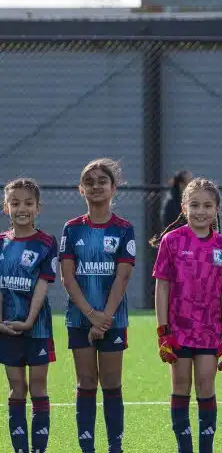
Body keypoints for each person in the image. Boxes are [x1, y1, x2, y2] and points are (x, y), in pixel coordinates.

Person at [151, 177, 222, 453]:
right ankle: (184, 448)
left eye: (208, 205)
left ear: (217, 210)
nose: (201, 211)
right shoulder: (171, 241)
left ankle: (206, 449)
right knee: (181, 385)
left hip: (210, 331)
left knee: (206, 385)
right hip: (178, 329)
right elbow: (162, 286)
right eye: (195, 205)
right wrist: (163, 330)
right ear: (184, 207)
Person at [59, 159, 136, 453]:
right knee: (86, 381)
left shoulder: (124, 229)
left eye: (102, 181)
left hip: (113, 318)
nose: (96, 186)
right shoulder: (72, 229)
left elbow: (123, 275)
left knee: (111, 383)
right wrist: (90, 315)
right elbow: (68, 277)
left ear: (113, 188)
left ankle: (114, 447)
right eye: (89, 182)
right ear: (81, 190)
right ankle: (87, 447)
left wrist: (105, 317)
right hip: (79, 319)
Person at [0, 178, 58, 453]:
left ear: (38, 208)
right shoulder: (0, 244)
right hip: (6, 328)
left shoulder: (47, 243)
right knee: (16, 387)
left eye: (28, 203)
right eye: (14, 203)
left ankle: (39, 449)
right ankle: (20, 449)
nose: (21, 208)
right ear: (5, 207)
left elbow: (43, 286)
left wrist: (30, 320)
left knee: (37, 387)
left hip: (38, 328)